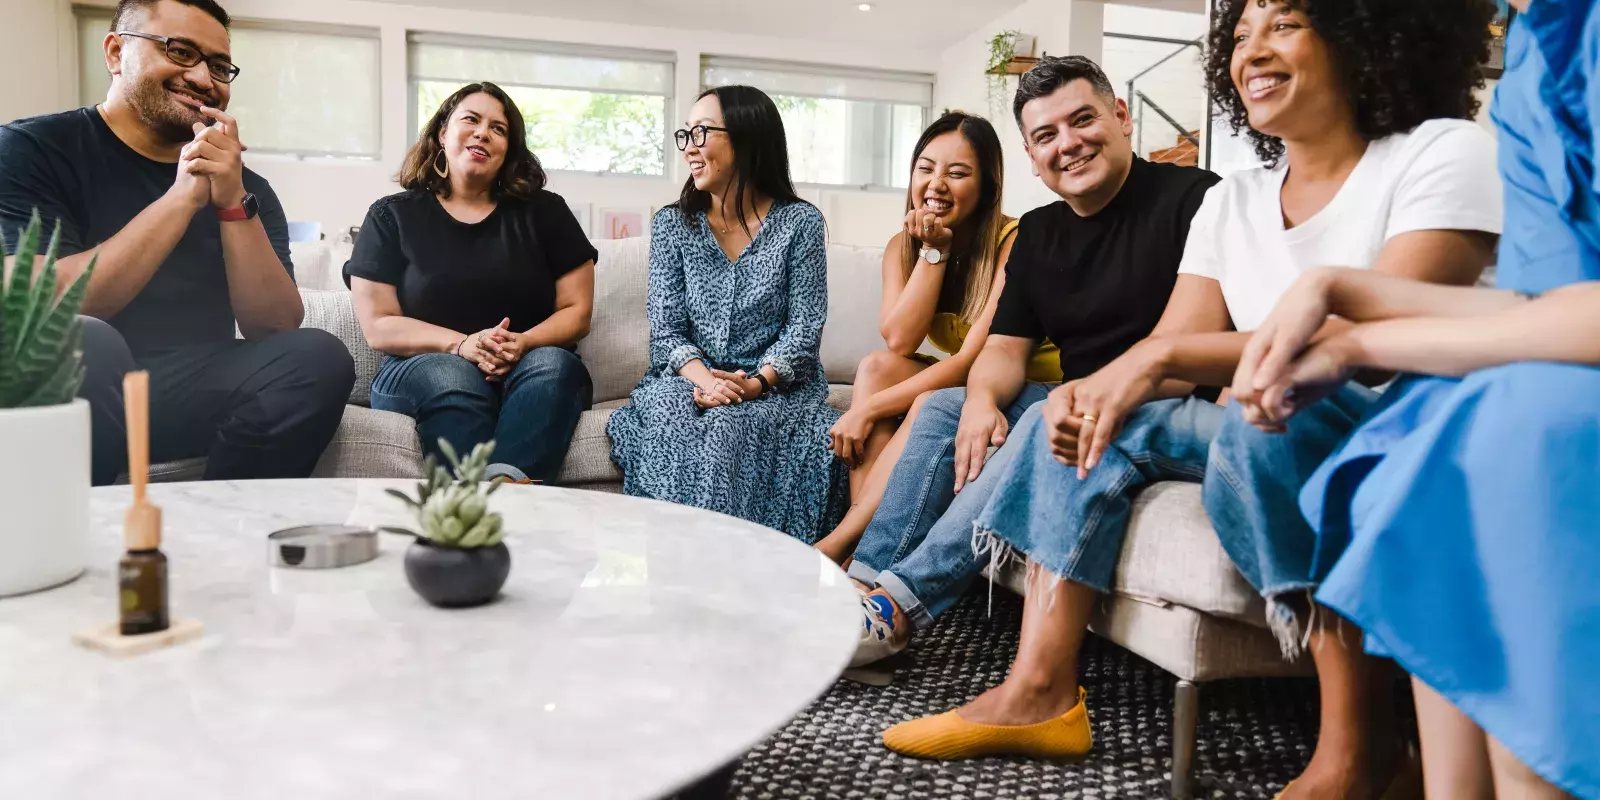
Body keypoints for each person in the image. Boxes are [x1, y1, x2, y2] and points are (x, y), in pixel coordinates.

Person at [877, 2, 1503, 796]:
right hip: (1269, 406)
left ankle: (1359, 750)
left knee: (1261, 419)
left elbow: (1386, 323)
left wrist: (1157, 358)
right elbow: (1171, 356)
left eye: (1283, 23)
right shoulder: (1234, 201)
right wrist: (1101, 389)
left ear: (1357, 30)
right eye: (1239, 36)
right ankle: (1038, 689)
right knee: (1076, 409)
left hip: (1402, 421)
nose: (1252, 51)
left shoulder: (1441, 151)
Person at [1233, 2, 1599, 797]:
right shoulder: (1535, 58)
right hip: (1546, 368)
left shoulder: (1457, 140)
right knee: (1424, 434)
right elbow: (1549, 310)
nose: (1255, 50)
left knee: (1495, 427)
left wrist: (1353, 327)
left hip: (1553, 405)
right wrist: (1347, 320)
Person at [848, 56, 1220, 665]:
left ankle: (899, 606)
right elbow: (1001, 349)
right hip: (1075, 399)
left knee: (1047, 411)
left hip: (1166, 404)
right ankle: (865, 580)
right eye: (1046, 135)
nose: (1068, 145)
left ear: (1121, 117)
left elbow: (1187, 352)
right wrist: (982, 399)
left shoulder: (1194, 198)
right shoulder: (1042, 231)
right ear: (1030, 154)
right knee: (943, 405)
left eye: (1083, 121)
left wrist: (1058, 400)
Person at [0, 0, 353, 485]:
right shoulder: (32, 150)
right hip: (79, 381)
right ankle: (88, 542)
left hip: (188, 390)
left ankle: (226, 530)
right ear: (115, 51)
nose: (205, 79)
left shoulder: (249, 189)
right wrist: (183, 197)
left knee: (319, 356)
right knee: (83, 340)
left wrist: (231, 204)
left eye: (219, 66)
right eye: (181, 51)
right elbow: (46, 306)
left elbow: (274, 327)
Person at [815, 111, 1062, 563]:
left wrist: (865, 408)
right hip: (970, 375)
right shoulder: (903, 246)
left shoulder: (1015, 240)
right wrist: (937, 252)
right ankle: (859, 532)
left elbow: (972, 360)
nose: (936, 184)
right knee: (876, 367)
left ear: (987, 185)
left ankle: (841, 544)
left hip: (1017, 380)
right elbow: (900, 342)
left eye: (957, 172)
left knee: (902, 399)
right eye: (925, 168)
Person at [606, 86, 844, 542]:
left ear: (748, 138)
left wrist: (752, 384)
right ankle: (679, 566)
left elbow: (804, 328)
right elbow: (667, 329)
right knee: (675, 422)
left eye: (703, 132)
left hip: (775, 387)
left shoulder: (801, 223)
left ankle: (743, 571)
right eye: (686, 134)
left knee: (732, 429)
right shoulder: (672, 224)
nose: (690, 147)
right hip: (687, 380)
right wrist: (708, 382)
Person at [346, 82, 596, 484]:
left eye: (499, 129)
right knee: (452, 374)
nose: (483, 132)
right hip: (419, 368)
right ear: (442, 133)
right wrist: (461, 345)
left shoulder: (546, 212)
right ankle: (473, 504)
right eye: (471, 119)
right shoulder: (392, 216)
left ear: (508, 150)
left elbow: (577, 311)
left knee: (553, 364)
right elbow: (379, 325)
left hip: (529, 364)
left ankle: (502, 490)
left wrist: (523, 342)